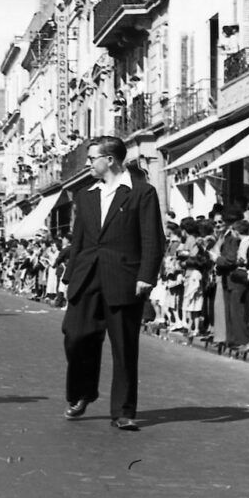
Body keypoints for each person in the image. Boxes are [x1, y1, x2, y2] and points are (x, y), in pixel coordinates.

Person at [61, 136, 164, 431]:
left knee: (124, 346)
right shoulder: (85, 195)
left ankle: (124, 410)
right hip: (87, 277)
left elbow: (152, 238)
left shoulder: (142, 193)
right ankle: (82, 392)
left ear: (110, 160)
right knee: (75, 335)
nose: (87, 163)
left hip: (124, 278)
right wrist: (69, 277)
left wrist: (146, 276)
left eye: (92, 158)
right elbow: (79, 240)